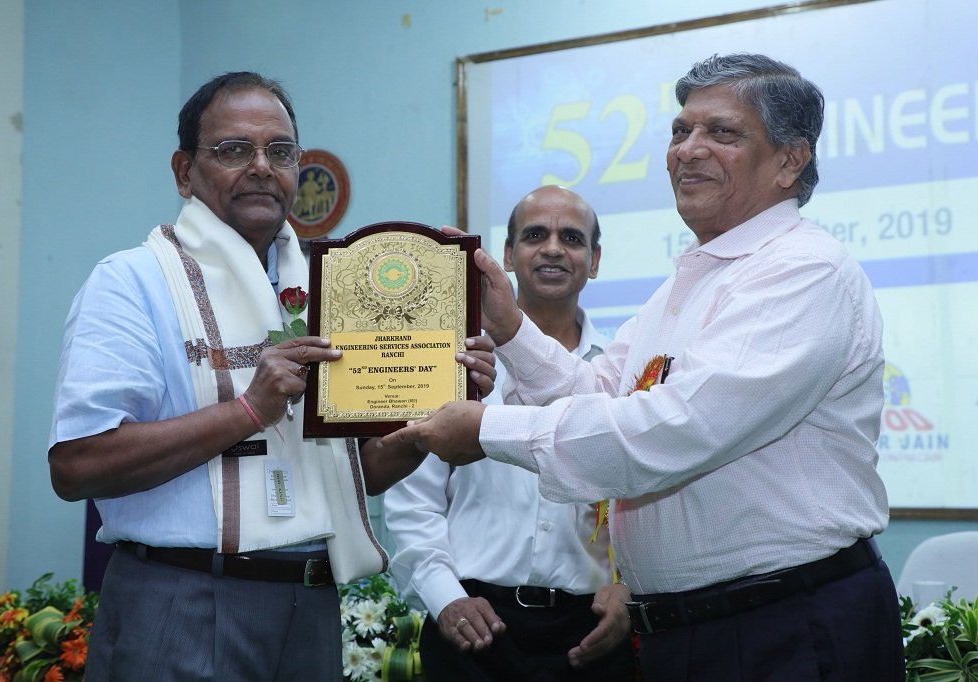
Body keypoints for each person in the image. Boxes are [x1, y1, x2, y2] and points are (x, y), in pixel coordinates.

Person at [380, 54, 904, 681]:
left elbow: (671, 430)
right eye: (681, 131)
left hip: (784, 623)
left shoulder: (800, 269)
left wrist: (486, 432)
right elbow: (599, 390)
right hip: (692, 629)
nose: (689, 150)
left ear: (791, 160)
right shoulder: (690, 281)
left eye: (722, 133)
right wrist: (509, 326)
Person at [47, 71, 495, 681]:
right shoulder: (130, 282)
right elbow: (75, 467)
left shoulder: (326, 289)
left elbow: (356, 473)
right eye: (234, 149)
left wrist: (432, 419)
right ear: (184, 171)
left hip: (308, 603)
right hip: (182, 596)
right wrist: (249, 409)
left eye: (280, 152)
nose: (262, 166)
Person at [383, 186, 635, 681]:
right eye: (535, 235)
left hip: (591, 634)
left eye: (572, 238)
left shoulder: (621, 372)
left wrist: (631, 587)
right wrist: (445, 598)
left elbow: (647, 494)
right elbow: (413, 504)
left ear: (596, 259)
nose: (554, 248)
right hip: (471, 626)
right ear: (507, 256)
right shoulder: (454, 364)